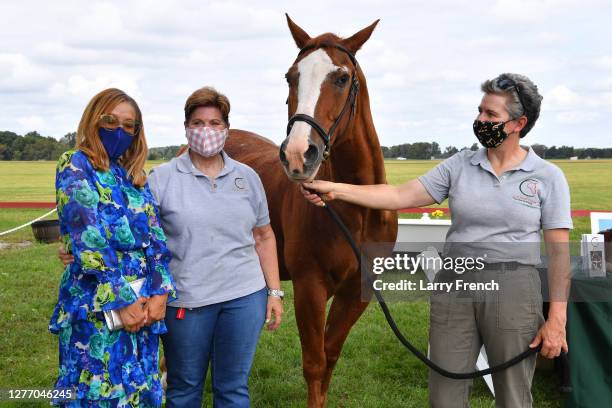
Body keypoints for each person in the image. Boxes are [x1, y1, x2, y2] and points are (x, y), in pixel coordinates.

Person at [301, 73, 572, 407]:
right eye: (480, 111)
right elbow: (399, 194)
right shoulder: (460, 164)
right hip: (455, 282)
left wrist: (557, 319)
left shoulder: (547, 177)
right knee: (444, 395)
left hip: (514, 285)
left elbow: (559, 254)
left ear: (519, 123)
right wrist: (336, 190)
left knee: (513, 396)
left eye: (491, 115)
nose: (480, 120)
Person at [148, 86, 283, 407]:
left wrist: (274, 293)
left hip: (243, 299)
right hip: (186, 301)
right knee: (183, 388)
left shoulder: (247, 177)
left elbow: (264, 235)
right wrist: (83, 251)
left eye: (214, 123)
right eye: (197, 123)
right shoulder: (162, 178)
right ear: (186, 128)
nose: (206, 131)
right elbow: (141, 239)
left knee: (233, 388)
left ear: (226, 129)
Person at [49, 88, 177, 407]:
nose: (119, 130)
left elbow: (157, 242)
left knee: (140, 390)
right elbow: (88, 241)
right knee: (97, 392)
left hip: (144, 306)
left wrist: (160, 294)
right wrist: (120, 301)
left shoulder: (132, 176)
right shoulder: (76, 165)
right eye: (110, 120)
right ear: (94, 120)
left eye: (129, 125)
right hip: (98, 306)